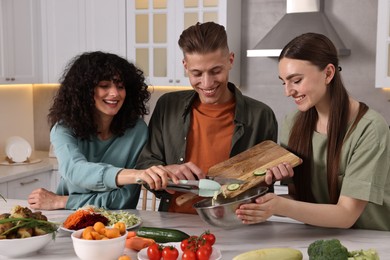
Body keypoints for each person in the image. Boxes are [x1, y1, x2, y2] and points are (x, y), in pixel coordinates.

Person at [236, 33, 390, 231]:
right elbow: (297, 197)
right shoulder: (293, 123)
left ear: (328, 73)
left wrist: (280, 205)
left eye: (296, 80)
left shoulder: (370, 129)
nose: (288, 91)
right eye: (284, 82)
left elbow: (346, 215)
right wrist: (259, 202)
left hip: (374, 243)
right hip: (317, 235)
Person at [136, 22, 278, 214]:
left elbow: (263, 186)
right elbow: (146, 165)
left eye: (216, 71)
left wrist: (273, 176)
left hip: (234, 225)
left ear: (230, 60)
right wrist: (165, 171)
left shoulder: (261, 115)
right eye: (197, 73)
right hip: (174, 223)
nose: (207, 83)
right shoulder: (167, 105)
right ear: (185, 66)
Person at [28, 51, 178, 210]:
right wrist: (135, 175)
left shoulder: (136, 130)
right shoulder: (64, 128)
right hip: (67, 218)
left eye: (120, 86)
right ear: (85, 90)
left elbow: (124, 199)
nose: (114, 93)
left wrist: (62, 201)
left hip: (119, 224)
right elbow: (75, 170)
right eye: (104, 86)